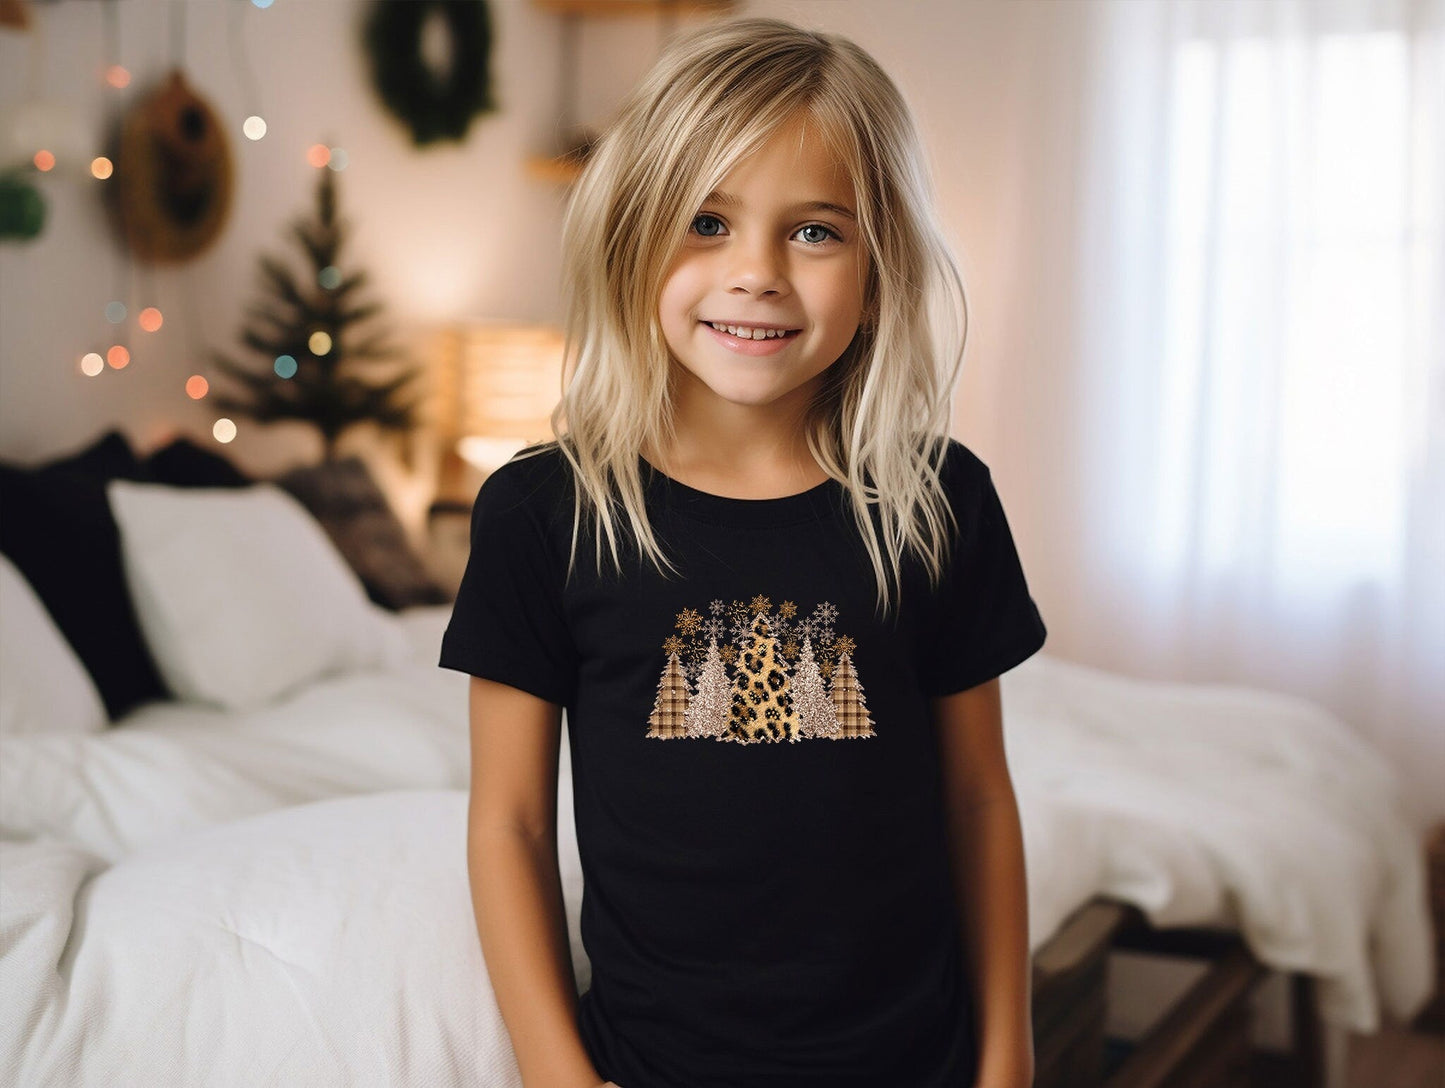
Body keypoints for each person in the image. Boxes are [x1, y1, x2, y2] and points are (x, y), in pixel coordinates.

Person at [439, 15, 1046, 1088]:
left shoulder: (939, 499)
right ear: (632, 237)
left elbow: (976, 800)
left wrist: (1007, 1059)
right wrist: (556, 1074)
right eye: (706, 221)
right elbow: (511, 821)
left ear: (880, 259)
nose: (756, 273)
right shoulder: (542, 513)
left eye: (814, 231)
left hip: (917, 1059)